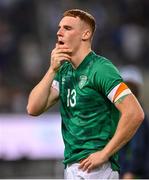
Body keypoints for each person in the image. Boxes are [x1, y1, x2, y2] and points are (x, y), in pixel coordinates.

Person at [27, 9, 144, 179]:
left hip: (96, 168)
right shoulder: (64, 70)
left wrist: (104, 153)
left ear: (85, 34)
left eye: (67, 28)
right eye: (59, 28)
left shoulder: (100, 69)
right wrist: (52, 70)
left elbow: (135, 113)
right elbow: (33, 108)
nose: (59, 32)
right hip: (72, 164)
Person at [119, 65, 149, 179]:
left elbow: (137, 146)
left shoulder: (134, 113)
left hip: (134, 174)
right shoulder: (128, 111)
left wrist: (130, 171)